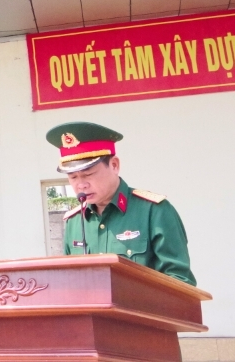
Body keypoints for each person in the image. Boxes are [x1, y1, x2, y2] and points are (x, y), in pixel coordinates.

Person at [49, 122, 196, 286]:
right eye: (73, 177)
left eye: (88, 174)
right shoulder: (74, 222)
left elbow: (180, 281)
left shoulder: (154, 211)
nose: (81, 185)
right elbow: (70, 281)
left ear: (114, 165)